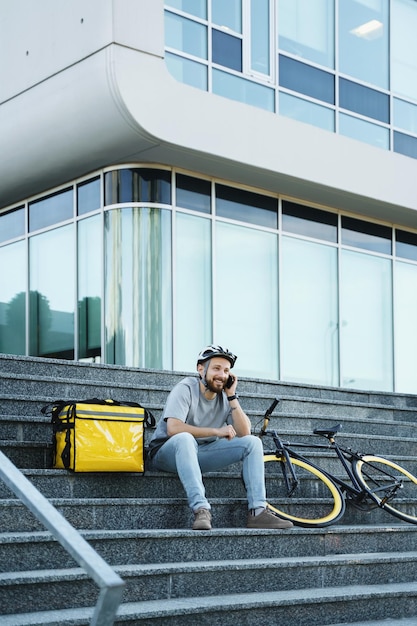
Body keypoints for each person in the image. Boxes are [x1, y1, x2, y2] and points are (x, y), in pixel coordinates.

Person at [147, 345, 293, 531]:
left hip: (200, 453)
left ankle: (258, 512)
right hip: (166, 453)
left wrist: (232, 396)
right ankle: (201, 509)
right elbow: (173, 428)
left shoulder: (225, 396)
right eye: (216, 368)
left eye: (226, 370)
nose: (222, 375)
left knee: (253, 443)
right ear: (201, 369)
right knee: (185, 438)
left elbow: (245, 432)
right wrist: (216, 431)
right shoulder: (185, 388)